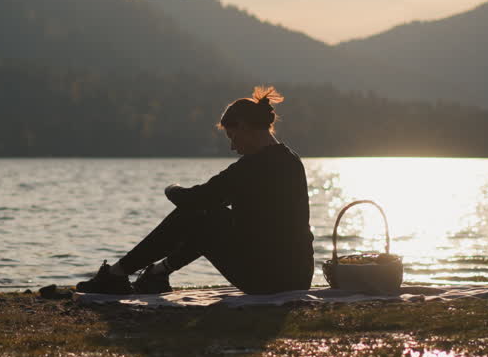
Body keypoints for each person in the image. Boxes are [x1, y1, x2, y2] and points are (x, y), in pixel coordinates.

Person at [76, 86, 314, 295]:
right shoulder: (290, 159)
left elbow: (193, 199)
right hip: (298, 276)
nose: (233, 147)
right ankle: (157, 273)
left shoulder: (253, 166)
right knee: (211, 217)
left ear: (243, 126)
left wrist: (171, 187)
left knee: (194, 213)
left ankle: (116, 275)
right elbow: (209, 203)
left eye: (232, 136)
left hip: (270, 281)